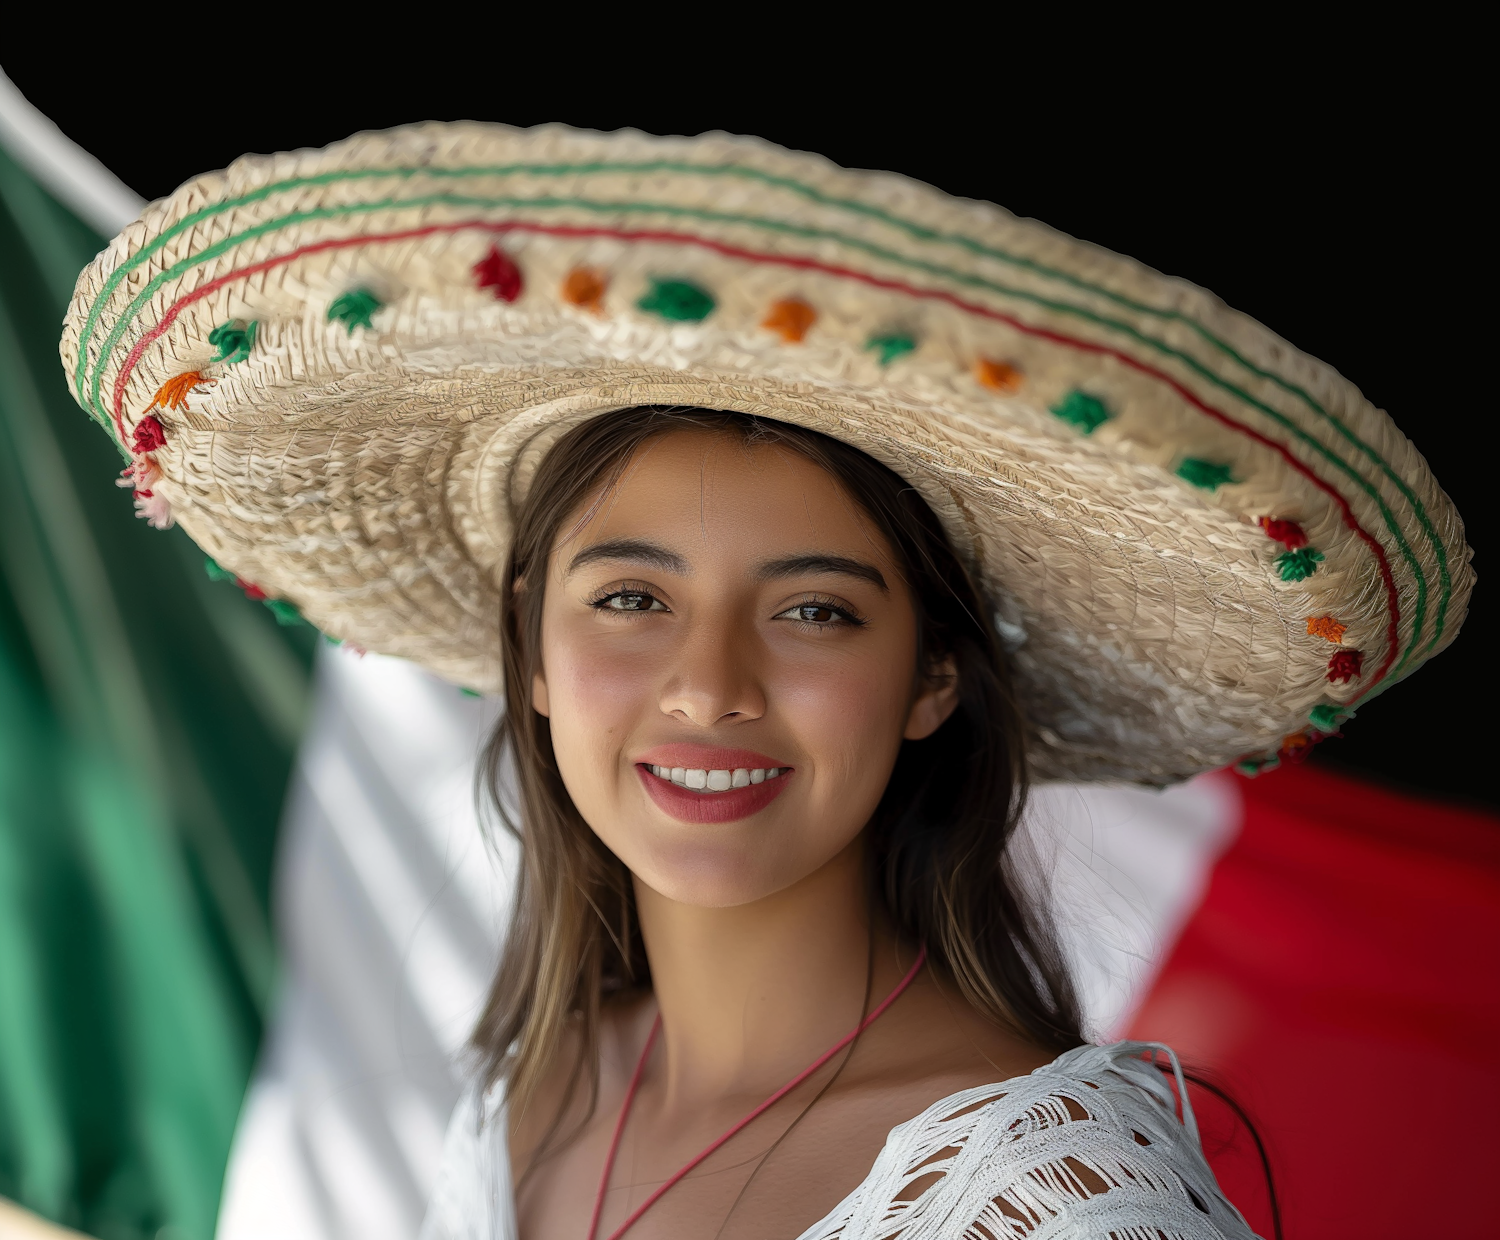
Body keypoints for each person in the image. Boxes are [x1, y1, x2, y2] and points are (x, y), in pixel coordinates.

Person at [59, 122, 1471, 1239]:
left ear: (931, 679)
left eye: (811, 610)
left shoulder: (1054, 1207)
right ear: (530, 653)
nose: (709, 687)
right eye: (630, 599)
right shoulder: (536, 1098)